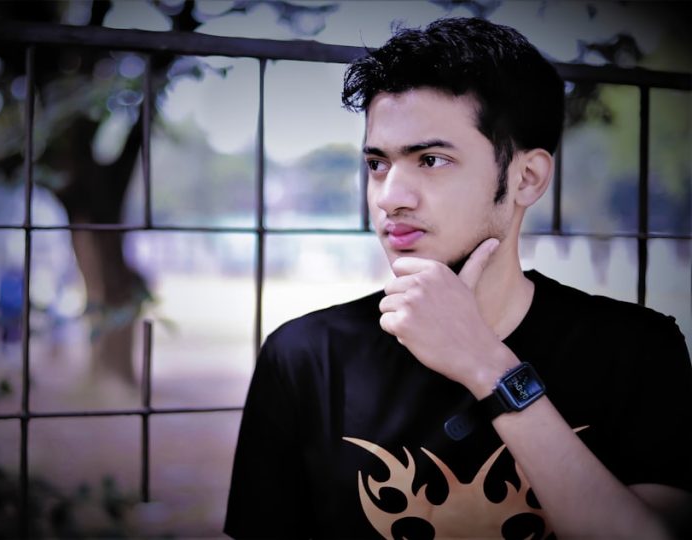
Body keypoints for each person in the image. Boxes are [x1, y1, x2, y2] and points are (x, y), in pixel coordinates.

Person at [225, 17, 692, 539]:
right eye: (378, 164)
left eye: (431, 160)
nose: (390, 197)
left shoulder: (637, 350)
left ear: (527, 177)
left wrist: (488, 366)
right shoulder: (307, 356)